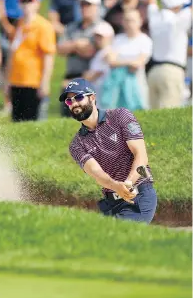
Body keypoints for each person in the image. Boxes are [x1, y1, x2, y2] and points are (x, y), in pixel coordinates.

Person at [61, 78, 157, 224]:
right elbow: (96, 172)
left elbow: (141, 156)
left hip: (139, 196)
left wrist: (128, 184)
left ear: (92, 97)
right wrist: (115, 186)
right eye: (69, 101)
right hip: (111, 203)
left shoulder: (120, 116)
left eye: (79, 97)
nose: (74, 104)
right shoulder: (76, 144)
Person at [142, 0, 192, 109]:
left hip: (153, 73)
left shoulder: (155, 17)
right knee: (170, 113)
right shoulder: (179, 19)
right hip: (172, 72)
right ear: (176, 6)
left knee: (155, 116)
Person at [5, 0, 56, 122]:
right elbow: (12, 54)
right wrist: (7, 81)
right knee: (17, 122)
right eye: (23, 1)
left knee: (32, 121)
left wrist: (44, 82)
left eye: (29, 0)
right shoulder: (19, 24)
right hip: (16, 81)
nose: (26, 4)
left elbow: (48, 56)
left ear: (37, 3)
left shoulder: (43, 26)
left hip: (33, 81)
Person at [58, 0, 101, 116]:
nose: (84, 8)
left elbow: (91, 51)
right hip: (71, 77)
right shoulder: (72, 27)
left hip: (91, 78)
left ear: (96, 6)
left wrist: (72, 48)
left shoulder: (101, 27)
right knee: (67, 118)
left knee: (89, 118)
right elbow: (60, 49)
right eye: (82, 4)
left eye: (88, 4)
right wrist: (77, 44)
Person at [101, 9, 152, 111]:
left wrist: (119, 62)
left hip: (137, 85)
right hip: (117, 87)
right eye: (127, 20)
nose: (129, 23)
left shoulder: (145, 40)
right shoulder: (118, 39)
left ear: (140, 21)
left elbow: (138, 63)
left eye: (132, 20)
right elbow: (110, 61)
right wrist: (129, 62)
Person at [83, 21, 115, 108]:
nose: (98, 40)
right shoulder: (99, 53)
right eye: (96, 37)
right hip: (98, 95)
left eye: (101, 37)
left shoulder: (109, 52)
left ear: (109, 37)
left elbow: (95, 74)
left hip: (105, 95)